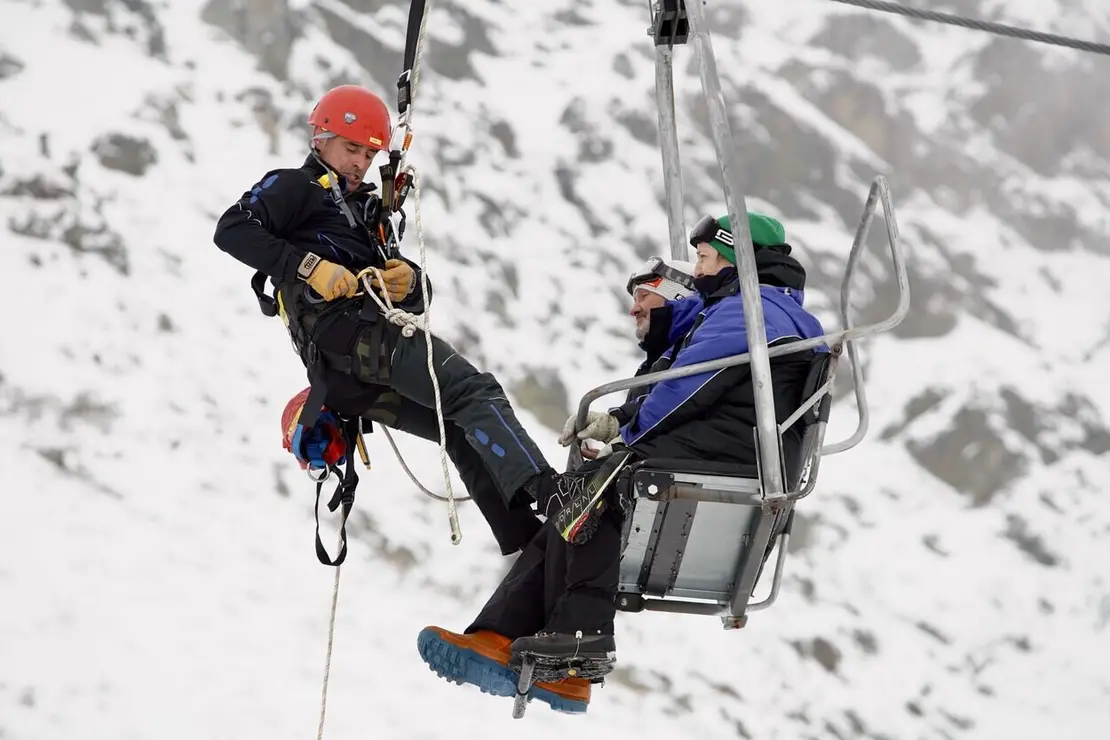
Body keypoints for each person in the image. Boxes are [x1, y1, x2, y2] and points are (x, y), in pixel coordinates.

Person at [416, 211, 827, 713]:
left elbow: (687, 385)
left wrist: (624, 429)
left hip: (729, 456)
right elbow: (686, 382)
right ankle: (507, 641)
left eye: (703, 258)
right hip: (725, 448)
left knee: (595, 488)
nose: (697, 271)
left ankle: (582, 634)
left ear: (735, 256)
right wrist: (623, 422)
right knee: (579, 498)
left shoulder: (753, 308)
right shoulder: (757, 307)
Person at [213, 84, 631, 558]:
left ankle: (530, 547)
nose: (359, 163)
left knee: (457, 427)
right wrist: (310, 267)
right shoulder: (295, 187)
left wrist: (409, 282)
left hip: (348, 369)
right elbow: (232, 229)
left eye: (369, 155)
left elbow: (415, 299)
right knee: (472, 392)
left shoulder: (368, 214)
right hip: (354, 340)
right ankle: (554, 496)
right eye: (352, 149)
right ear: (320, 138)